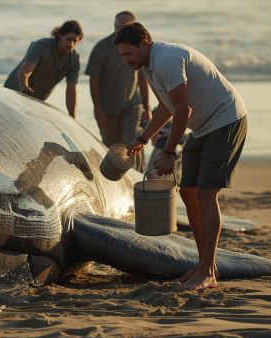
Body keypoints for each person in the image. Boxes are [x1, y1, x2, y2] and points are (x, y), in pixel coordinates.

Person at [116, 23, 248, 290]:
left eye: (128, 53)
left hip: (226, 119)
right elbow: (166, 107)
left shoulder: (166, 60)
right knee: (188, 191)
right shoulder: (148, 67)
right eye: (122, 55)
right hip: (202, 127)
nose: (126, 60)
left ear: (145, 42)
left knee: (206, 194)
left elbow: (183, 109)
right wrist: (142, 139)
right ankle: (204, 266)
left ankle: (208, 271)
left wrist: (167, 153)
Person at [85, 11, 150, 170]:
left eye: (128, 26)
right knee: (111, 151)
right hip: (108, 109)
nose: (123, 30)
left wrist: (147, 107)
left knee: (132, 144)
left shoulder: (138, 48)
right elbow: (93, 80)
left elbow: (142, 78)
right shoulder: (101, 48)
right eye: (120, 26)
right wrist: (98, 109)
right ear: (114, 27)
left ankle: (137, 181)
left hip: (132, 106)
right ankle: (116, 185)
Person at [4, 20, 83, 118]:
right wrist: (24, 87)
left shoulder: (73, 59)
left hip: (36, 102)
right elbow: (25, 71)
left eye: (75, 41)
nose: (71, 44)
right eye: (68, 39)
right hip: (12, 92)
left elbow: (71, 89)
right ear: (60, 35)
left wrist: (72, 116)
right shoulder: (41, 46)